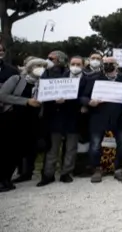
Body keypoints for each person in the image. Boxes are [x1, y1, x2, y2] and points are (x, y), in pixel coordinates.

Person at [38, 55, 88, 186]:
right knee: (53, 148)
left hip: (75, 117)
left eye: (78, 64)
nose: (75, 67)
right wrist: (56, 99)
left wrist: (82, 103)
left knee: (71, 148)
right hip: (57, 117)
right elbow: (47, 92)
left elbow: (86, 96)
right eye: (73, 63)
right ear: (69, 64)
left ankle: (66, 173)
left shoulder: (87, 80)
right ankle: (48, 175)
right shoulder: (59, 77)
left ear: (83, 66)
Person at [81, 56, 122, 183]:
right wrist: (89, 102)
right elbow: (83, 96)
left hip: (119, 118)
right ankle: (97, 169)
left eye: (111, 63)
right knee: (95, 146)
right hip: (98, 117)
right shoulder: (94, 78)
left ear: (117, 65)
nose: (108, 65)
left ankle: (118, 169)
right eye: (106, 63)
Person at [0, 57, 44, 192]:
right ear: (30, 67)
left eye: (43, 66)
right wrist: (26, 101)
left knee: (20, 151)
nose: (40, 68)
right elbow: (2, 96)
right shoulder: (16, 79)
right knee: (7, 150)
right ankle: (1, 180)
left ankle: (7, 178)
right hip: (12, 119)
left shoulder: (44, 83)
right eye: (37, 65)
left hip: (31, 121)